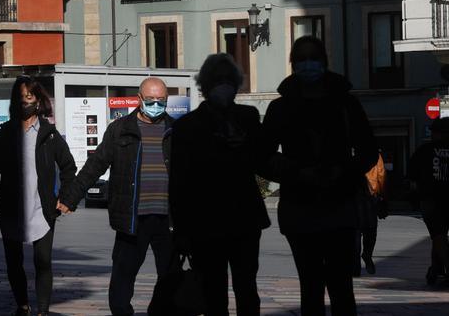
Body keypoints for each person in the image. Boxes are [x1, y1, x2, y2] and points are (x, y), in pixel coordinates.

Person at [259, 36, 378, 316]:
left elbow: (368, 151)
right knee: (310, 285)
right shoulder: (280, 107)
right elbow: (261, 155)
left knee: (341, 285)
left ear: (323, 62)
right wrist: (297, 172)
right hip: (301, 208)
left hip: (340, 204)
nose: (307, 64)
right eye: (301, 59)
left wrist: (341, 171)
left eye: (313, 58)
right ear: (293, 65)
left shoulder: (347, 104)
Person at [57, 77, 175, 316]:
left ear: (166, 100)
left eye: (160, 100)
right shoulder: (120, 129)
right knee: (123, 275)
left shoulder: (176, 130)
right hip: (132, 217)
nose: (155, 103)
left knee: (171, 276)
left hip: (168, 218)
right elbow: (96, 164)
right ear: (140, 99)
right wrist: (71, 197)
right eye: (150, 99)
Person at [170, 54, 270, 316]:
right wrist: (181, 229)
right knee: (213, 292)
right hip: (205, 222)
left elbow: (263, 160)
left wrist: (245, 145)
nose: (224, 86)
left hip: (244, 219)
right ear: (205, 86)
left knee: (247, 287)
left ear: (237, 85)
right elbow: (179, 182)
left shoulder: (248, 117)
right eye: (218, 81)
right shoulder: (187, 127)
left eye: (229, 80)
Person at [0, 77, 76, 316]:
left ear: (39, 101)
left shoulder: (49, 135)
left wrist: (65, 198)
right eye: (20, 99)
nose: (25, 104)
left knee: (43, 262)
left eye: (29, 98)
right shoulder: (3, 135)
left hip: (42, 208)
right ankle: (22, 305)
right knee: (14, 262)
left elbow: (68, 167)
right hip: (11, 208)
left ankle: (42, 311)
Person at [408, 116, 449, 286]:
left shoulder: (425, 149)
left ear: (438, 132)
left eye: (433, 132)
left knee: (438, 235)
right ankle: (441, 267)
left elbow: (412, 174)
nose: (431, 135)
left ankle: (446, 268)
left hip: (432, 199)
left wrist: (417, 193)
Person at [355, 152, 386, 276]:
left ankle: (355, 264)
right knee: (370, 230)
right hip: (370, 197)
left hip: (354, 198)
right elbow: (381, 175)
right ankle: (367, 255)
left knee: (355, 233)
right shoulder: (375, 156)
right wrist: (383, 197)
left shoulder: (345, 153)